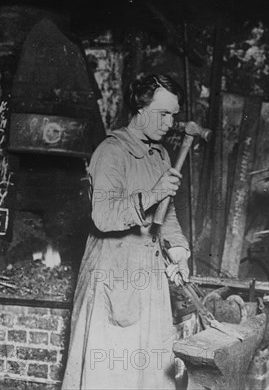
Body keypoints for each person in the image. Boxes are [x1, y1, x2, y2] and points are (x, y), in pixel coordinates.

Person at [62, 74, 191, 389]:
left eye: (174, 115)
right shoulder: (111, 151)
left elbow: (167, 213)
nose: (170, 122)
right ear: (140, 108)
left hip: (149, 275)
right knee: (110, 370)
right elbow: (104, 217)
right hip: (113, 274)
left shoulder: (159, 155)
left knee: (151, 371)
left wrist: (179, 252)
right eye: (163, 113)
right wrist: (153, 194)